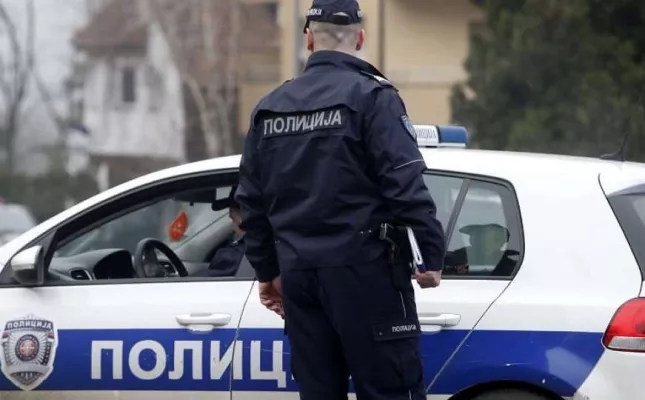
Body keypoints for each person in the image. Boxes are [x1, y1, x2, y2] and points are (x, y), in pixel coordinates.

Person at [235, 0, 446, 398]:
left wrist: (267, 272)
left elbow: (251, 202)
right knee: (390, 391)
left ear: (309, 39)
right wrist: (430, 257)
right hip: (366, 272)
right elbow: (404, 186)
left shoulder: (270, 107)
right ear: (360, 37)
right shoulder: (372, 97)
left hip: (299, 277)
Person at [193, 192, 246, 277]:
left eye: (233, 219)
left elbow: (194, 284)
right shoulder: (272, 244)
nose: (233, 227)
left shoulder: (233, 257)